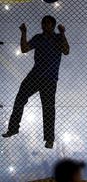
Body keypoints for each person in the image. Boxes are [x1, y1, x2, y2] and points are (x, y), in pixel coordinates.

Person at [2, 16, 69, 149]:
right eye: (43, 23)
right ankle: (13, 128)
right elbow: (24, 49)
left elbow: (66, 51)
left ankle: (49, 139)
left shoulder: (57, 38)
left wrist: (62, 33)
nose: (45, 26)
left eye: (48, 24)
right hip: (35, 75)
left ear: (53, 25)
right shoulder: (39, 37)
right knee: (20, 98)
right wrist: (23, 32)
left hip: (49, 79)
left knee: (48, 109)